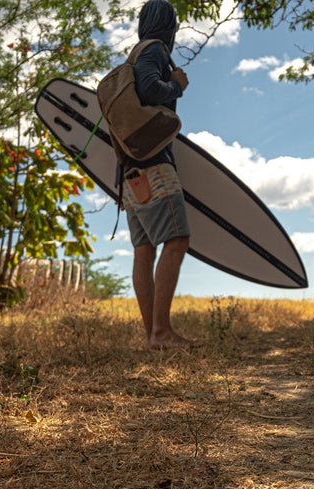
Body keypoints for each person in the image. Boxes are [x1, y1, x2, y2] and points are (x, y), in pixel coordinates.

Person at [121, 0, 199, 350]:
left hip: (130, 172)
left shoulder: (132, 56)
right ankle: (161, 333)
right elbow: (153, 89)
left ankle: (153, 335)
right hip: (154, 166)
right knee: (177, 240)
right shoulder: (153, 52)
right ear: (169, 26)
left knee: (144, 250)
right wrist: (178, 85)